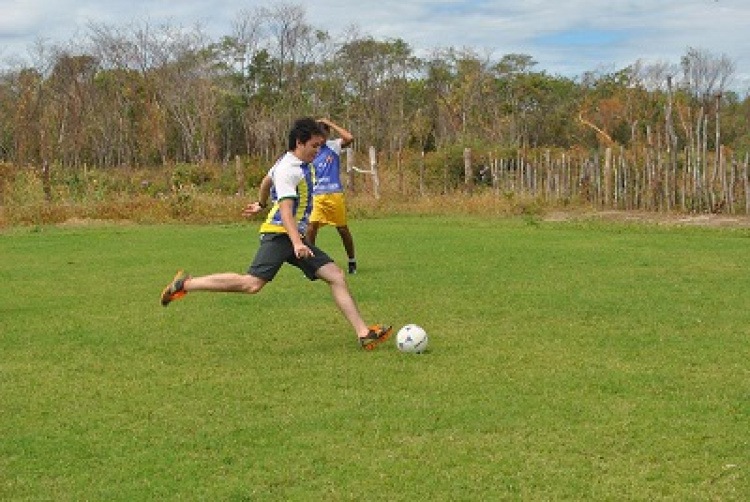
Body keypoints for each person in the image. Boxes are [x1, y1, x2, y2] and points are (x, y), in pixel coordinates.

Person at [160, 117, 392, 350]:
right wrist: (296, 243)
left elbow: (265, 180)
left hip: (292, 237)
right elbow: (286, 211)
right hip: (280, 234)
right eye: (314, 146)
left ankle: (363, 333)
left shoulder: (289, 162)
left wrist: (260, 204)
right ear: (300, 142)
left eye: (320, 146)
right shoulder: (288, 170)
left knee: (336, 276)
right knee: (251, 284)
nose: (318, 151)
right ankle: (185, 285)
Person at [306, 118, 358, 274]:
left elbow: (349, 138)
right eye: (318, 135)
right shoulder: (311, 150)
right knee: (311, 227)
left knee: (342, 229)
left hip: (334, 195)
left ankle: (352, 261)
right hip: (317, 195)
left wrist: (330, 123)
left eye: (324, 135)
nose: (321, 139)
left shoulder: (333, 146)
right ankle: (310, 264)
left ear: (328, 134)